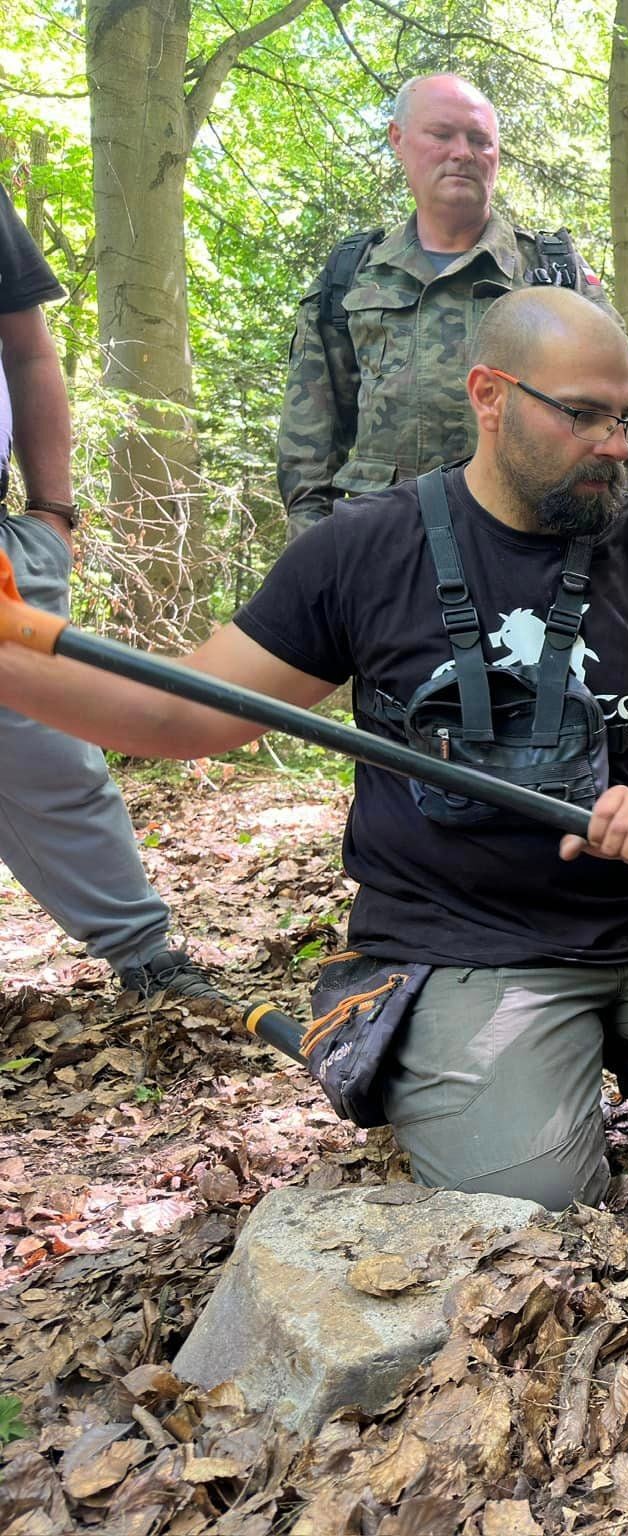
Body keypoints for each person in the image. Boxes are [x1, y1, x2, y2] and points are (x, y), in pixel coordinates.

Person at [0, 288, 628, 1208]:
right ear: (490, 395)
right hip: (465, 944)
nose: (615, 444)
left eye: (625, 416)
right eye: (582, 414)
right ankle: (500, 1056)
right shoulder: (364, 549)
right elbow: (187, 714)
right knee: (532, 1201)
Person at [0, 187, 230, 1013]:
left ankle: (145, 954)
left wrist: (52, 512)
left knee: (52, 755)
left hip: (3, 549)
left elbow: (27, 347)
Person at [277, 73, 628, 541]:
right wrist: (316, 560)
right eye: (441, 135)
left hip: (528, 553)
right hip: (383, 553)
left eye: (480, 140)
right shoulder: (354, 272)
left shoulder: (550, 269)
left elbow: (624, 421)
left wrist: (612, 556)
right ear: (398, 141)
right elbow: (308, 449)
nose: (463, 152)